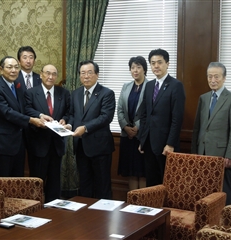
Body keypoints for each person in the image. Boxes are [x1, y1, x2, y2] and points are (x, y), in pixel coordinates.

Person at [191, 62, 231, 205]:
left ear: (224, 78)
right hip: (202, 153)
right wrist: (195, 152)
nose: (212, 80)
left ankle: (223, 223)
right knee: (203, 191)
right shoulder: (204, 98)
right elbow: (198, 128)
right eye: (210, 76)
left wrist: (230, 155)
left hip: (222, 156)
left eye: (216, 76)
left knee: (222, 193)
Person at [66, 60, 115, 199]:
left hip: (100, 147)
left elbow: (105, 117)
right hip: (81, 146)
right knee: (84, 183)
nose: (86, 76)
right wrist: (69, 125)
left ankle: (103, 218)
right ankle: (85, 217)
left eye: (89, 72)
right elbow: (72, 114)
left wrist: (85, 128)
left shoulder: (107, 93)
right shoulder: (75, 93)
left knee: (102, 185)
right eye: (82, 73)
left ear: (97, 75)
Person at [0, 56, 43, 177]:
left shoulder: (18, 86)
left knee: (18, 182)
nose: (13, 70)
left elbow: (25, 108)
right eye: (9, 67)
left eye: (16, 67)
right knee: (4, 181)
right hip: (4, 144)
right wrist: (31, 120)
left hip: (19, 142)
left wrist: (40, 115)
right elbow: (7, 112)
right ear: (1, 69)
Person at [138, 48, 186, 187]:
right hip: (148, 144)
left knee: (167, 184)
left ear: (167, 64)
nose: (156, 66)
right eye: (153, 63)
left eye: (159, 62)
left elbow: (177, 118)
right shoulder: (149, 86)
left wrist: (170, 143)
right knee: (151, 184)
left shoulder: (176, 85)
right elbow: (145, 115)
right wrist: (142, 139)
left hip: (166, 144)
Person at [25, 64, 70, 203]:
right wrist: (39, 115)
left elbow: (70, 113)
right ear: (41, 75)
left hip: (57, 144)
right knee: (37, 181)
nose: (51, 77)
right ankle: (36, 208)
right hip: (38, 143)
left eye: (54, 74)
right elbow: (26, 110)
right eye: (47, 73)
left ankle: (53, 209)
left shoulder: (64, 93)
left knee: (55, 181)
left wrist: (65, 120)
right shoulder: (31, 93)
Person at [117, 56, 148, 190]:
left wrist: (137, 128)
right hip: (127, 136)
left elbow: (149, 112)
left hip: (142, 136)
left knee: (142, 172)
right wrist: (125, 127)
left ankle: (143, 204)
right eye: (132, 68)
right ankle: (133, 204)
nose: (135, 70)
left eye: (138, 67)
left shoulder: (150, 86)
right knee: (130, 172)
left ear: (144, 69)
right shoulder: (126, 86)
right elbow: (120, 110)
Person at [15, 46, 42, 174]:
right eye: (24, 57)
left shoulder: (40, 79)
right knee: (18, 165)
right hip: (18, 127)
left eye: (31, 57)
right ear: (19, 61)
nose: (28, 60)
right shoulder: (13, 78)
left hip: (36, 128)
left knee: (36, 165)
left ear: (34, 60)